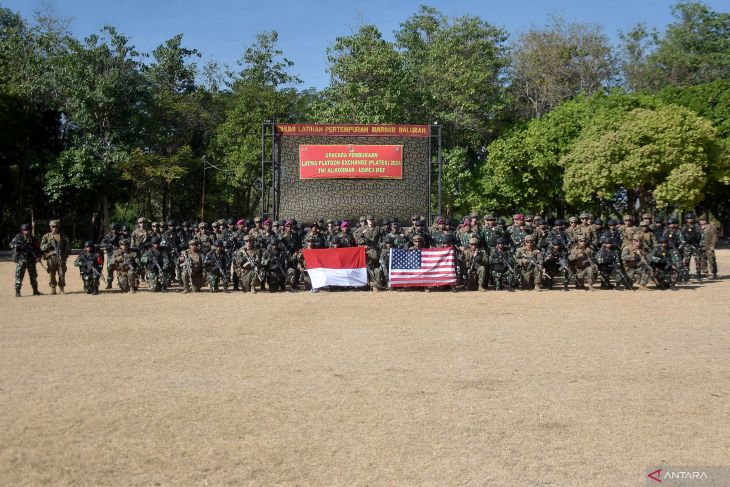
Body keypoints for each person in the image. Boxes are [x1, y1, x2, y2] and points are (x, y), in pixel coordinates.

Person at [10, 223, 43, 297]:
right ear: (22, 230)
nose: (27, 231)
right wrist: (19, 245)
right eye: (25, 230)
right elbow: (11, 244)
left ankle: (35, 291)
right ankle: (17, 292)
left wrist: (38, 256)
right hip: (22, 260)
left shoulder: (33, 239)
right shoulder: (18, 238)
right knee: (19, 276)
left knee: (33, 276)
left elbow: (39, 249)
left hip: (31, 260)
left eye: (28, 230)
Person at [40, 219, 70, 295]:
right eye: (53, 226)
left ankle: (61, 289)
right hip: (51, 258)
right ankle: (53, 289)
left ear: (59, 226)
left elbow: (67, 247)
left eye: (56, 226)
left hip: (60, 258)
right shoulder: (46, 236)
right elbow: (41, 247)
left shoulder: (62, 236)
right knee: (51, 274)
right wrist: (48, 245)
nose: (55, 228)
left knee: (62, 273)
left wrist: (64, 254)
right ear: (50, 227)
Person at [101, 223, 122, 289]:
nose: (114, 231)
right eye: (113, 229)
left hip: (119, 255)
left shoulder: (120, 236)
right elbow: (102, 243)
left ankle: (121, 282)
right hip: (110, 256)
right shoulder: (108, 236)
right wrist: (108, 245)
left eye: (115, 229)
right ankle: (109, 283)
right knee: (109, 270)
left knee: (120, 269)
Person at [699, 215, 718, 279]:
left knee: (712, 260)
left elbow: (714, 237)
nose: (702, 221)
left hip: (709, 246)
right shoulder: (698, 228)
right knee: (702, 261)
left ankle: (713, 273)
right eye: (701, 220)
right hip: (701, 247)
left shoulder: (711, 227)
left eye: (703, 220)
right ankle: (705, 273)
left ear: (706, 220)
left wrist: (713, 245)